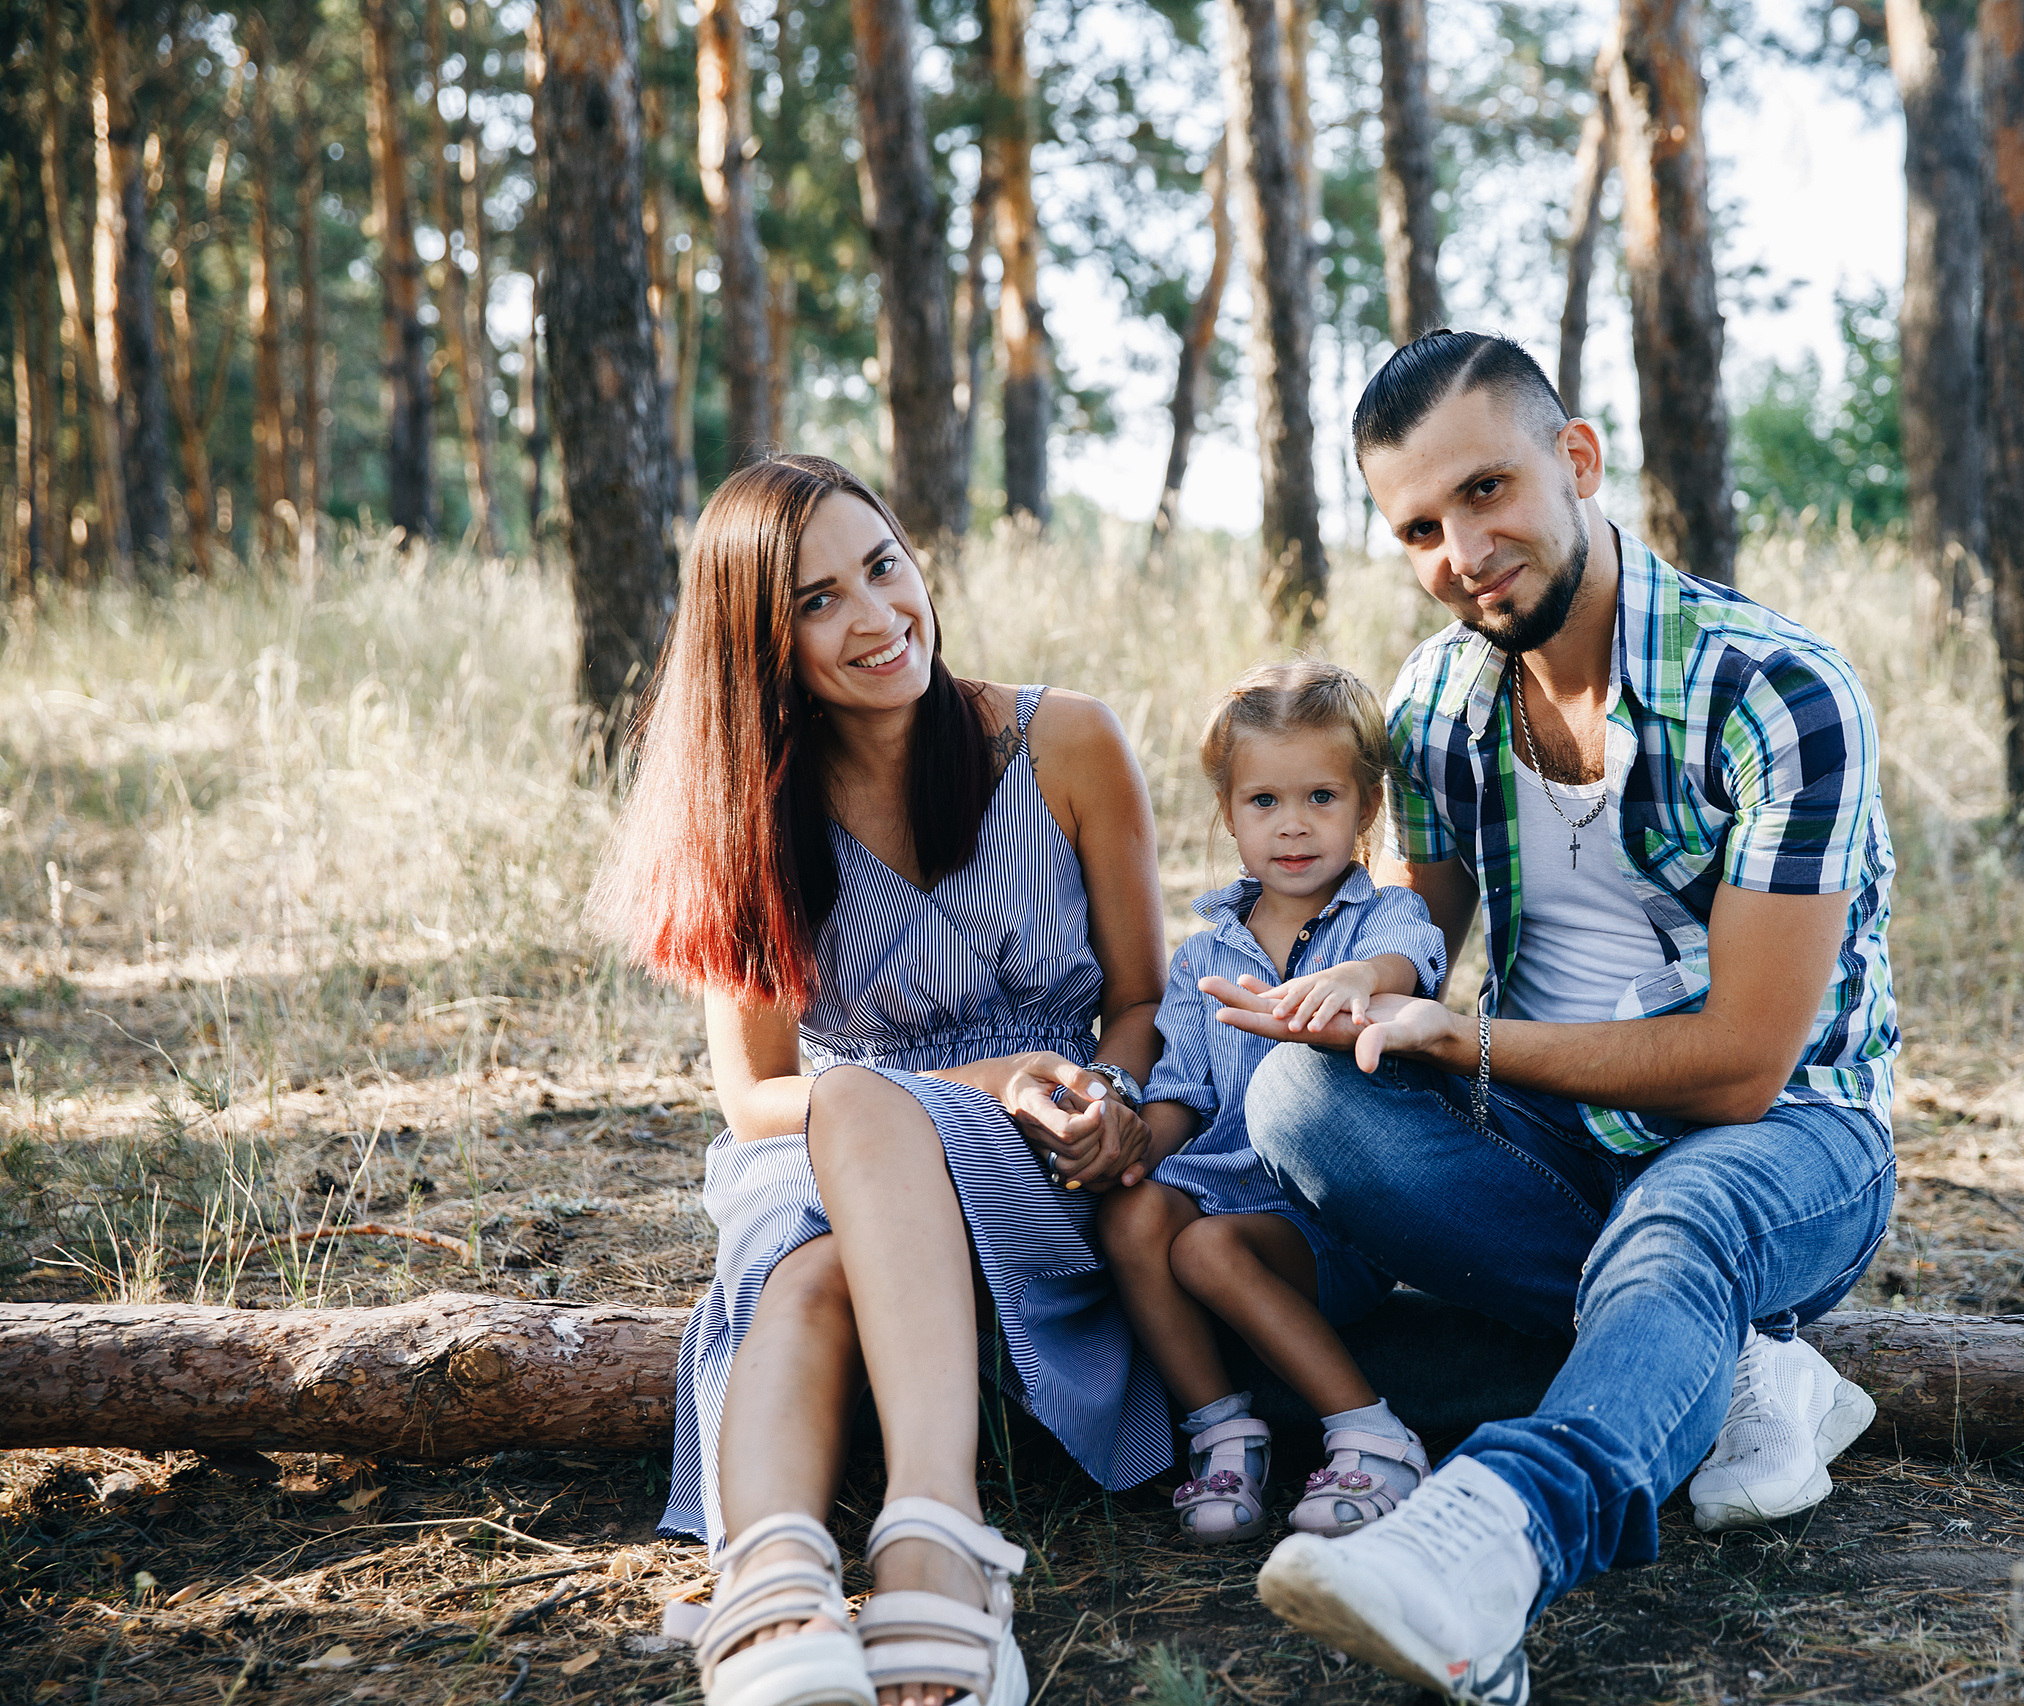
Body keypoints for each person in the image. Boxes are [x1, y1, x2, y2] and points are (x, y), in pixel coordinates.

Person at [1213, 333, 1901, 1705]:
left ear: (1575, 461)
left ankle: (1494, 1546)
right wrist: (1375, 984)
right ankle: (1730, 1366)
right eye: (1419, 525)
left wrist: (1456, 1038)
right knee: (1296, 1107)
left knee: (1681, 1223)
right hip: (1548, 1145)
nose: (1461, 547)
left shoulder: (1776, 691)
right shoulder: (1442, 697)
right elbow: (1424, 923)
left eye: (1486, 491)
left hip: (1789, 1142)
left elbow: (1739, 1065)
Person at [590, 455, 1169, 1706]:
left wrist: (1104, 1097)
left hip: (1038, 1147)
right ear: (758, 640)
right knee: (811, 1234)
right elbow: (752, 1097)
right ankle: (780, 1588)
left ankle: (930, 1541)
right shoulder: (750, 812)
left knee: (851, 1138)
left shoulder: (1061, 741)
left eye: (883, 566)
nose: (874, 617)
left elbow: (1140, 1000)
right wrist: (966, 1073)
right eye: (815, 600)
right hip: (830, 1155)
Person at [1094, 663, 1448, 1546]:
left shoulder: (1381, 919)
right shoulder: (1203, 953)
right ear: (1228, 813)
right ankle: (1221, 1431)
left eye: (1322, 796)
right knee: (1135, 1218)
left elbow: (1412, 962)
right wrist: (1130, 1143)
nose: (1292, 825)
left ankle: (1373, 1432)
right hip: (1224, 1190)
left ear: (1366, 808)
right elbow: (1181, 1092)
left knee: (1208, 1249)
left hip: (1333, 1219)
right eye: (1263, 802)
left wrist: (1356, 982)